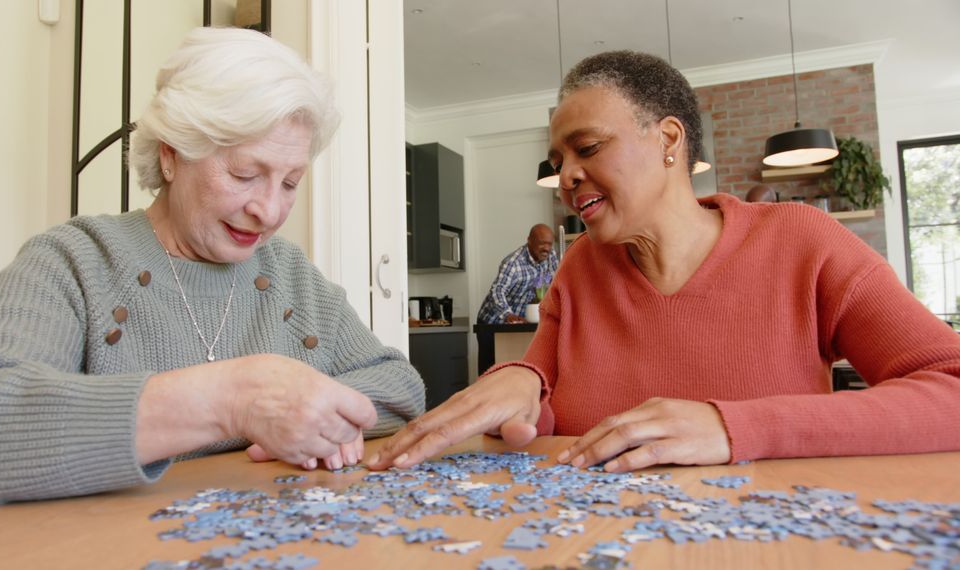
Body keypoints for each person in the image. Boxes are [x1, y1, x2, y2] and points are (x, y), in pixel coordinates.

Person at [368, 50, 960, 474]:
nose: (566, 175)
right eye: (558, 159)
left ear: (669, 140)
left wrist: (734, 428)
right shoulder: (580, 265)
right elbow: (541, 406)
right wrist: (517, 384)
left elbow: (950, 390)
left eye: (588, 148)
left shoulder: (803, 240)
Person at [0, 28, 426, 515]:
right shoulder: (73, 260)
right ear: (172, 156)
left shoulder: (289, 272)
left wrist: (309, 418)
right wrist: (234, 401)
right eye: (245, 174)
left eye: (290, 183)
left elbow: (400, 389)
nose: (269, 211)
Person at [476, 224, 560, 324]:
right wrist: (507, 314)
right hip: (493, 323)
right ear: (529, 240)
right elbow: (497, 290)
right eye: (542, 243)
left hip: (521, 323)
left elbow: (558, 281)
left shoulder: (550, 255)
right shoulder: (513, 263)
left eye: (550, 244)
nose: (546, 248)